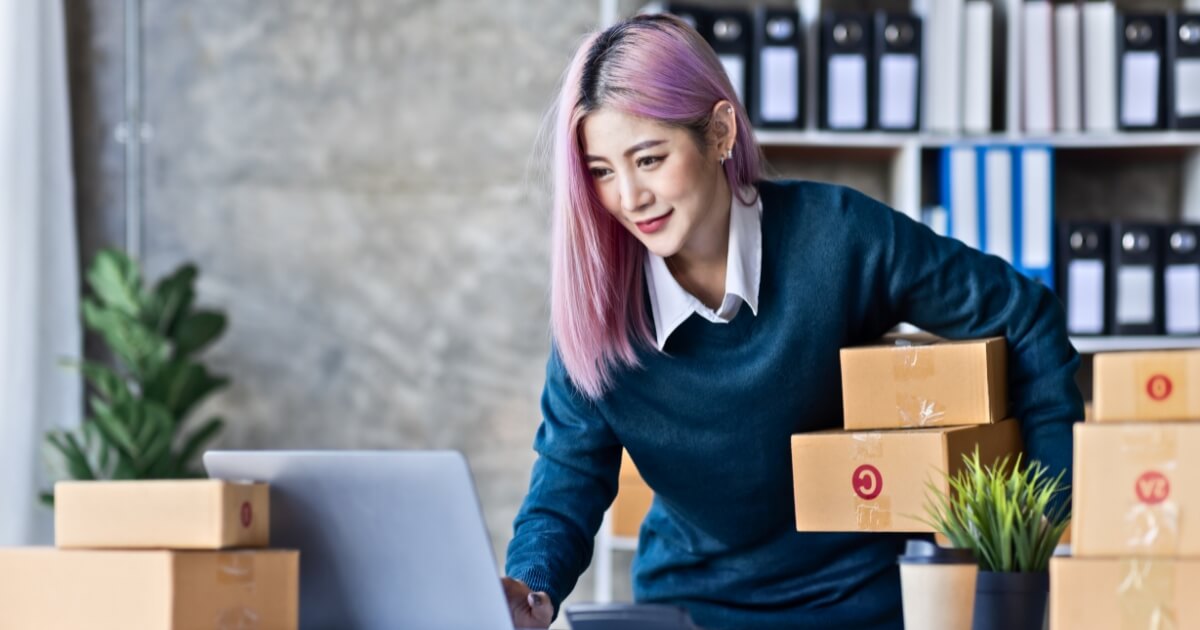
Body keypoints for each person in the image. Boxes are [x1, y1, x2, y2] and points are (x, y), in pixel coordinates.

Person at [501, 13, 1082, 630]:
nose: (628, 197)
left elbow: (1024, 316)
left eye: (648, 159)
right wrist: (530, 586)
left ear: (720, 132)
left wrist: (1040, 513)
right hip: (688, 610)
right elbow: (567, 476)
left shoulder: (839, 236)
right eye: (601, 171)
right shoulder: (597, 308)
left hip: (862, 606)